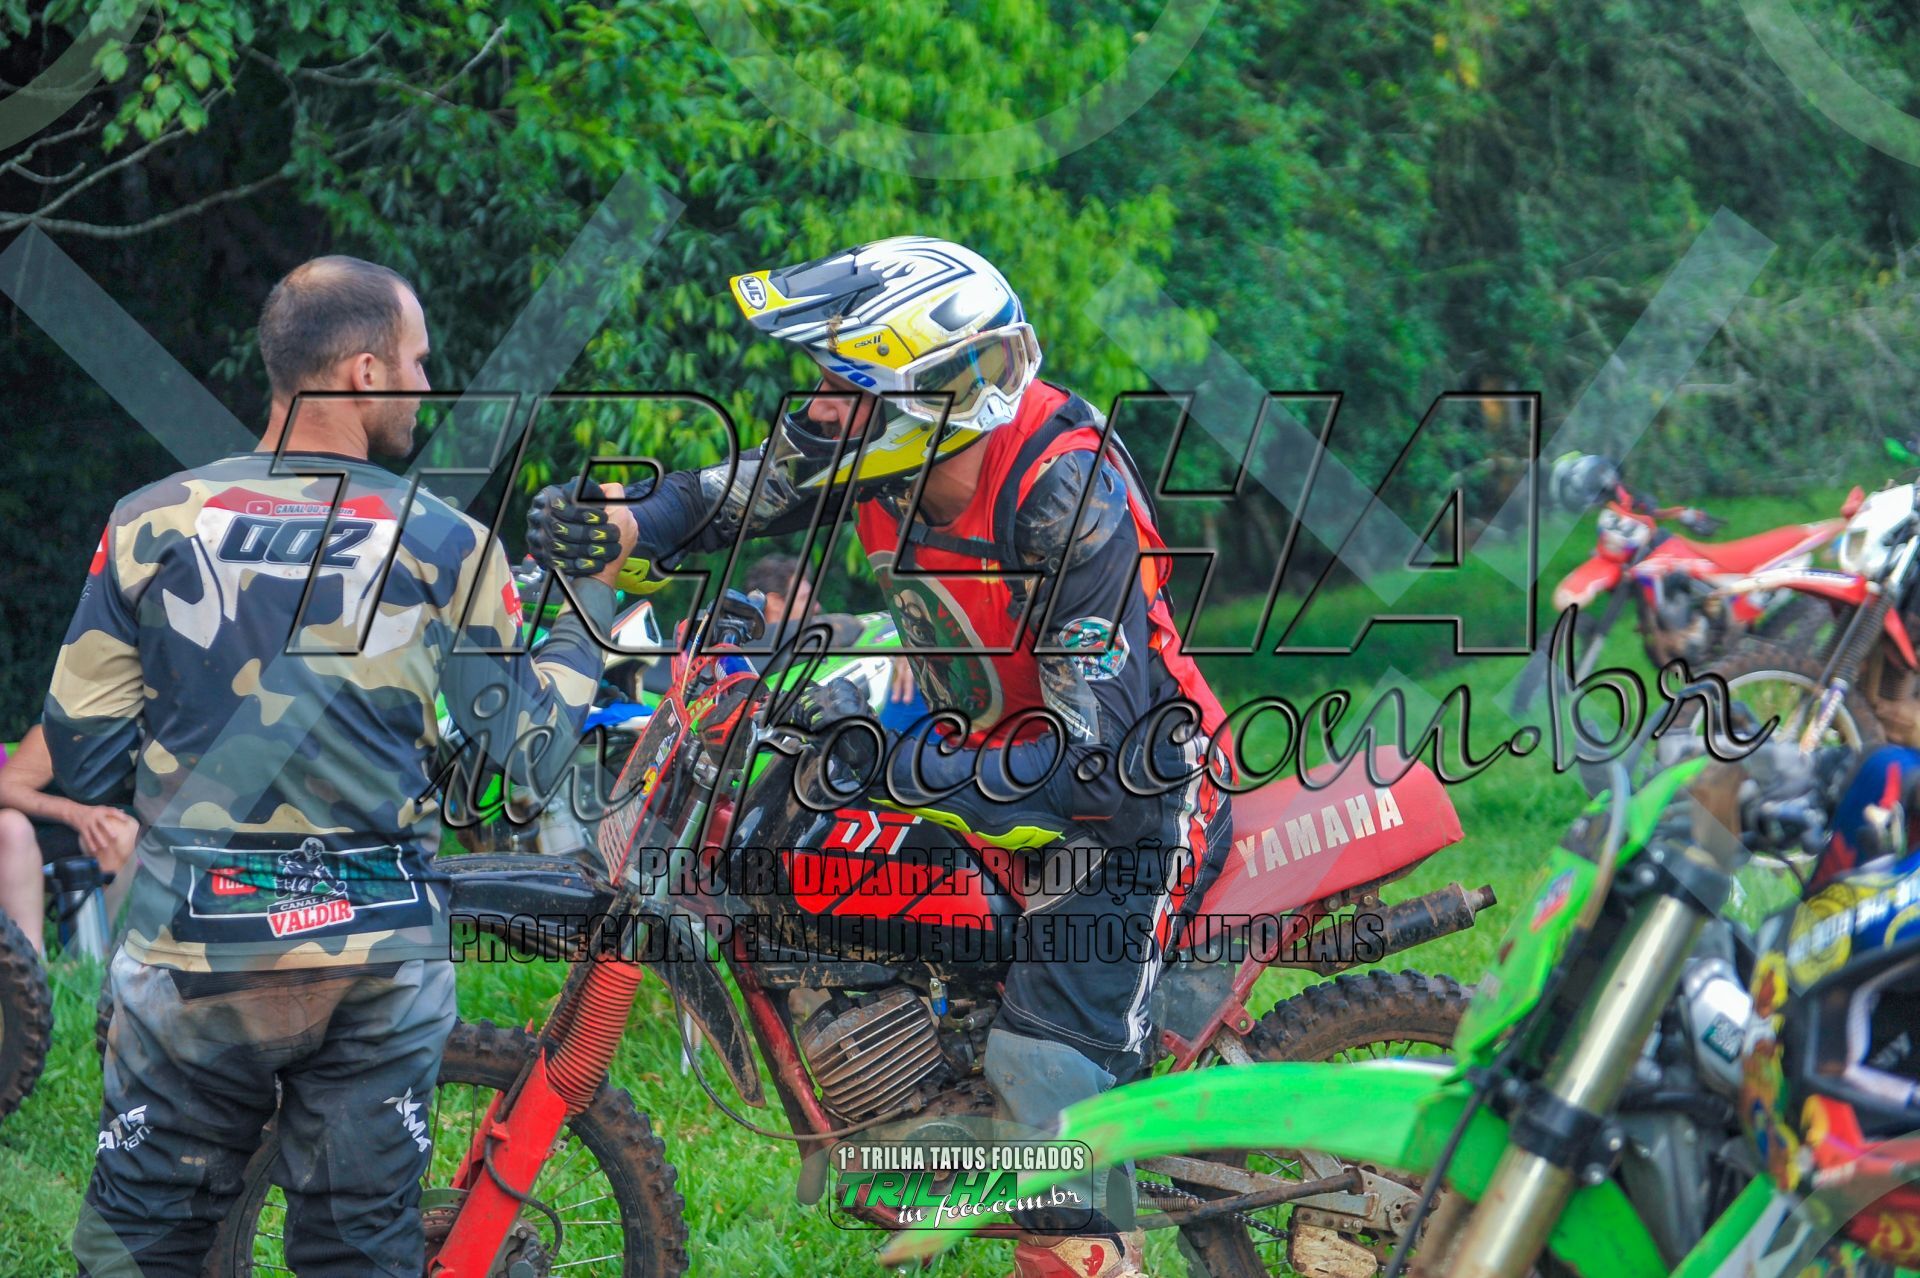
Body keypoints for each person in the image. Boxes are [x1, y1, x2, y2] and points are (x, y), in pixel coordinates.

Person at [626, 235, 1233, 1278]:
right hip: (996, 764)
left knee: (1043, 1070)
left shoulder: (1063, 494)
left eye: (843, 388)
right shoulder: (884, 456)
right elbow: (738, 493)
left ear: (926, 399)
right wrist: (628, 524)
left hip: (1134, 794)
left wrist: (894, 766)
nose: (818, 411)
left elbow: (1097, 770)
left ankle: (1087, 1235)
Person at [45, 255, 637, 1276]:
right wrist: (590, 599)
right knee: (359, 1249)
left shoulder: (149, 521)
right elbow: (529, 758)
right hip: (376, 954)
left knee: (142, 1243)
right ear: (364, 372)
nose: (425, 383)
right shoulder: (448, 544)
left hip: (196, 946)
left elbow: (83, 754)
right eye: (417, 362)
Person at [0, 724, 137, 959]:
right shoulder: (66, 724)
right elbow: (5, 788)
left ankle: (93, 955)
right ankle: (28, 960)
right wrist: (76, 813)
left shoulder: (167, 730)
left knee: (119, 831)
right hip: (37, 832)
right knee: (12, 827)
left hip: (108, 839)